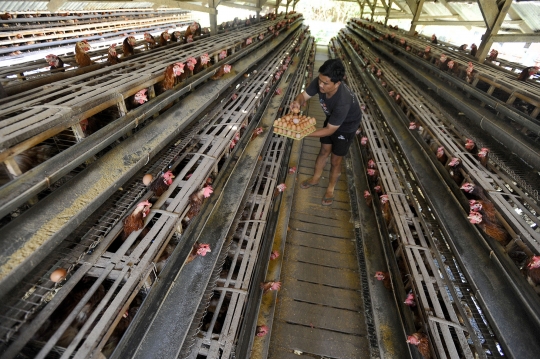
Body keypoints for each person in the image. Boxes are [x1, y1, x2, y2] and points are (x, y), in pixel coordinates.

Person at [290, 58, 362, 206]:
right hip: (332, 119)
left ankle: (330, 189)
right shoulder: (321, 81)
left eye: (325, 83)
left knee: (336, 160)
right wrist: (297, 101)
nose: (321, 85)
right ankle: (315, 178)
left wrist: (303, 132)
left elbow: (329, 130)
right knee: (324, 150)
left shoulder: (343, 101)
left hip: (346, 127)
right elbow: (303, 96)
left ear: (337, 83)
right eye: (320, 81)